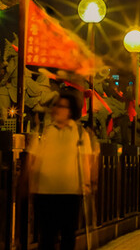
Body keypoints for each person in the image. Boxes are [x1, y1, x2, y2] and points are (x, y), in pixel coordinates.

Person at [27, 91, 92, 250]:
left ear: (70, 111)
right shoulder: (43, 131)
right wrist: (29, 184)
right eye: (56, 106)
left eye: (62, 106)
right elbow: (33, 160)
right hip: (45, 193)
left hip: (70, 193)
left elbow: (85, 161)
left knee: (68, 236)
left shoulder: (80, 133)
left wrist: (87, 184)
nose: (57, 109)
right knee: (47, 237)